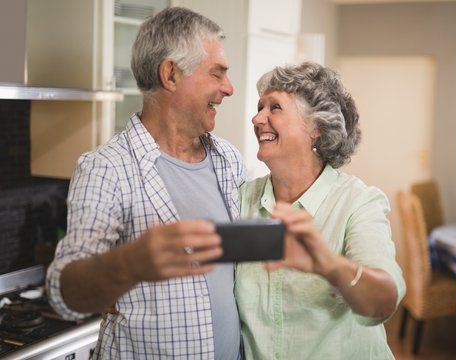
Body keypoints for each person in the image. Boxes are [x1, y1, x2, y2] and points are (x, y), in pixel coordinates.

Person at [46, 7, 246, 359]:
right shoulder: (107, 168)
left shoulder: (228, 160)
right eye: (217, 74)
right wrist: (129, 264)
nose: (228, 88)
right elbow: (65, 293)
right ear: (170, 74)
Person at [235, 62, 406, 359]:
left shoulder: (358, 203)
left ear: (316, 129)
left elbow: (383, 301)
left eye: (274, 107)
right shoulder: (241, 200)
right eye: (259, 106)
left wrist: (328, 265)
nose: (257, 117)